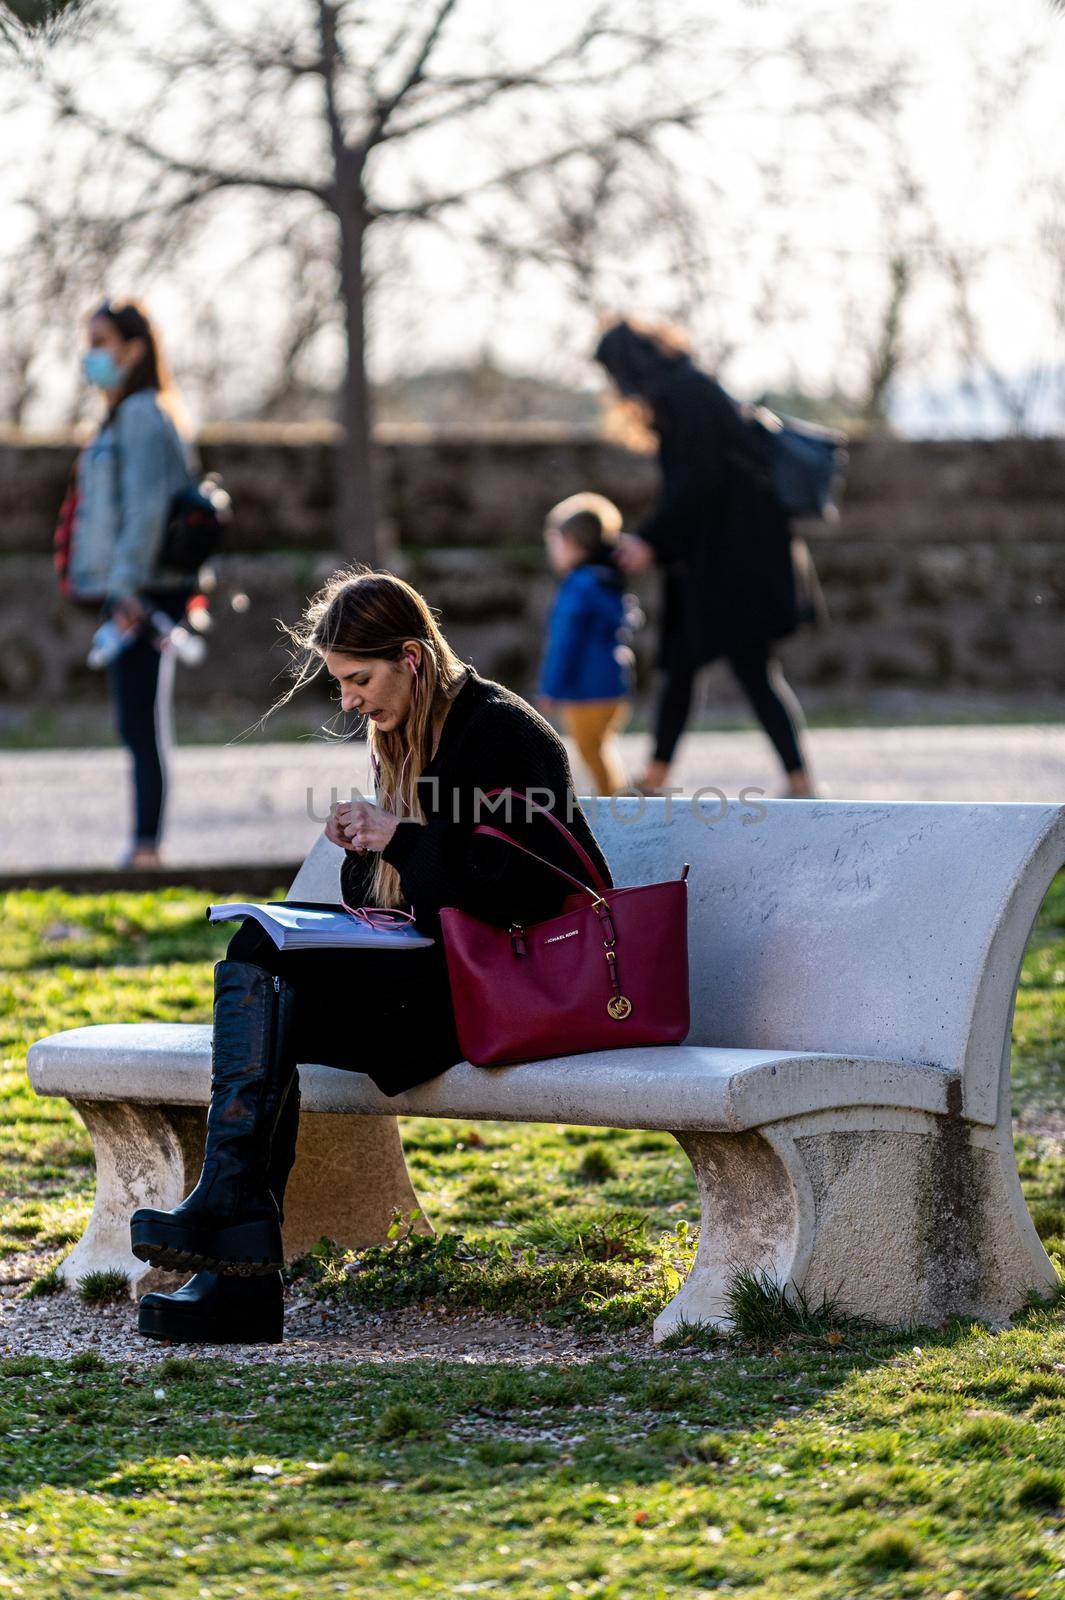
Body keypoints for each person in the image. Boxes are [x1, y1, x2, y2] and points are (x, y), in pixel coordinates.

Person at [130, 569, 613, 1345]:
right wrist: (364, 851)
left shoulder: (499, 734)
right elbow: (400, 896)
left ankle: (235, 1252)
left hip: (489, 996)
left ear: (413, 658)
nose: (348, 701)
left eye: (359, 679)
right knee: (263, 957)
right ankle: (237, 1255)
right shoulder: (400, 734)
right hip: (425, 980)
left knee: (268, 977)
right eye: (340, 683)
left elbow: (521, 887)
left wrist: (397, 836)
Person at [594, 318, 818, 798]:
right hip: (724, 558)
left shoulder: (685, 394)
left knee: (740, 667)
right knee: (703, 664)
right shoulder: (690, 387)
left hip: (730, 563)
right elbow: (700, 483)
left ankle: (796, 780)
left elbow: (698, 482)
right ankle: (791, 780)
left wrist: (650, 539)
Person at [67, 299, 194, 867]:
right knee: (136, 720)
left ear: (134, 348)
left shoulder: (141, 414)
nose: (92, 355)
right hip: (134, 587)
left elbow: (144, 513)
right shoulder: (130, 413)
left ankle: (147, 849)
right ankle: (146, 844)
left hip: (139, 593)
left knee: (139, 721)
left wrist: (124, 591)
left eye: (101, 342)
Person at [538, 492, 637, 797]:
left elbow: (565, 643)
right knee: (600, 751)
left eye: (553, 543)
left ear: (572, 544)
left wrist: (551, 688)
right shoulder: (607, 581)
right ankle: (620, 801)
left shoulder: (577, 587)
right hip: (613, 686)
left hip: (586, 690)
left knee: (591, 752)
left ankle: (619, 809)